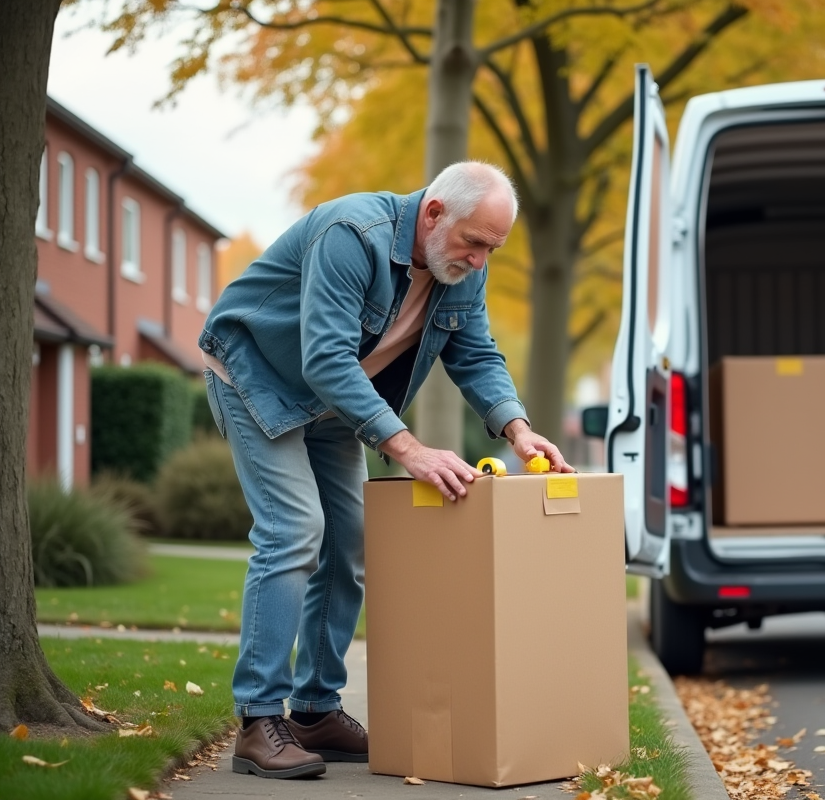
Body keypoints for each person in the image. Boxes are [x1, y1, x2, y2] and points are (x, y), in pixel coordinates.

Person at [198, 161, 573, 779]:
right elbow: (325, 357)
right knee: (295, 531)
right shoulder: (352, 233)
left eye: (492, 248)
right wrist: (411, 449)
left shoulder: (461, 268)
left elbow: (475, 352)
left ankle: (315, 709)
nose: (480, 261)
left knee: (350, 541)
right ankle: (258, 719)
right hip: (257, 377)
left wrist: (518, 429)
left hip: (336, 402)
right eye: (474, 242)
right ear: (432, 213)